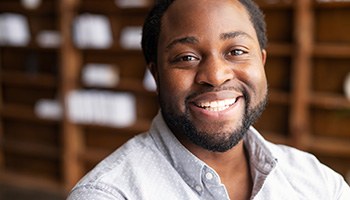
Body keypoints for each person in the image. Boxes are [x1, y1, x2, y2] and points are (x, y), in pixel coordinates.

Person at [67, 0, 350, 199]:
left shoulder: (318, 183)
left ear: (261, 62)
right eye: (186, 57)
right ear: (156, 75)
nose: (215, 76)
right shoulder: (110, 195)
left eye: (236, 51)